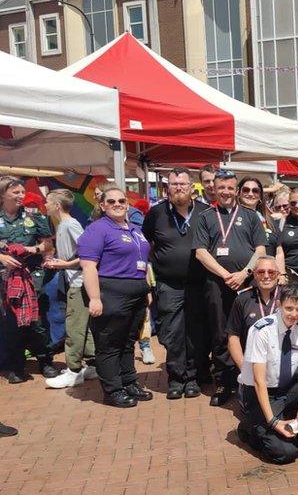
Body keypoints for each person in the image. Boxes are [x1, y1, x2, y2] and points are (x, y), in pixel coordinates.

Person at [193, 169, 268, 406]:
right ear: (213, 189)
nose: (225, 192)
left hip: (247, 282)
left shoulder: (250, 216)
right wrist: (226, 275)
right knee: (220, 332)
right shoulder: (205, 217)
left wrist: (244, 273)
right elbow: (201, 252)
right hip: (217, 283)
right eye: (221, 188)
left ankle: (249, 379)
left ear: (236, 190)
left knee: (251, 330)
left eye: (229, 188)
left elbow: (261, 250)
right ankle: (225, 381)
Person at [78, 186, 154, 408]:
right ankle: (113, 390)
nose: (117, 204)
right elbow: (88, 266)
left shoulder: (134, 229)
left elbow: (143, 263)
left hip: (136, 292)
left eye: (121, 200)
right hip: (111, 292)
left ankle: (129, 382)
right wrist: (94, 298)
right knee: (109, 344)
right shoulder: (97, 229)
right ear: (102, 206)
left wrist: (146, 289)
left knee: (128, 342)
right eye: (111, 201)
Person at [237, 281, 298, 464]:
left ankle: (294, 428)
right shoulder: (261, 330)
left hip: (286, 389)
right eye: (289, 308)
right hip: (259, 392)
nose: (294, 314)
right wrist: (272, 421)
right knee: (286, 453)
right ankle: (251, 428)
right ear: (279, 305)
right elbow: (259, 380)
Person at [143, 168, 210, 400]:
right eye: (174, 184)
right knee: (172, 331)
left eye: (182, 184)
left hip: (198, 283)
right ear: (167, 187)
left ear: (192, 187)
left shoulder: (204, 212)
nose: (178, 188)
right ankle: (176, 377)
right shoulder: (156, 213)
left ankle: (192, 377)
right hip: (168, 284)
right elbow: (146, 244)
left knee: (195, 332)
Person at [0, 176, 56, 382]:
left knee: (36, 320)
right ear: (3, 194)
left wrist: (33, 249)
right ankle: (16, 366)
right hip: (5, 278)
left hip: (32, 275)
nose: (21, 196)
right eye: (15, 192)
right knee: (11, 322)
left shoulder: (35, 216)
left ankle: (45, 361)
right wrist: (2, 257)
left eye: (22, 192)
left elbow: (48, 245)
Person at [42, 189, 97, 388]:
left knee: (74, 326)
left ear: (57, 205)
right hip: (74, 280)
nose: (44, 204)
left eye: (47, 201)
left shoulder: (70, 225)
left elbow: (87, 253)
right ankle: (93, 364)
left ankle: (73, 370)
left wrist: (63, 265)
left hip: (77, 282)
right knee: (84, 326)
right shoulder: (65, 225)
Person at [227, 256, 282, 395]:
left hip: (283, 367)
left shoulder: (289, 296)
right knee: (255, 415)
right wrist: (246, 370)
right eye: (261, 272)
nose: (266, 276)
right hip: (253, 367)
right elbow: (233, 338)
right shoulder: (242, 299)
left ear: (278, 274)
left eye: (271, 272)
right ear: (255, 275)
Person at [274, 188, 298, 282]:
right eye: (293, 203)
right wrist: (282, 274)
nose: (297, 206)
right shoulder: (280, 223)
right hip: (288, 274)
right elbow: (278, 251)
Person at [238, 177, 276, 255]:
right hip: (244, 266)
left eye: (255, 191)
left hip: (268, 265)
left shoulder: (270, 221)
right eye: (246, 190)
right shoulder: (231, 218)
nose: (250, 194)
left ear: (260, 196)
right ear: (238, 193)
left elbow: (278, 251)